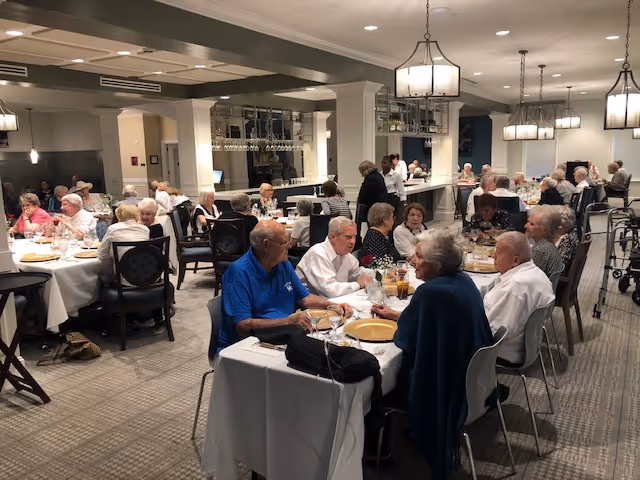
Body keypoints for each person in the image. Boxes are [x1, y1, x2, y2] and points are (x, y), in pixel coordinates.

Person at [370, 229, 494, 480]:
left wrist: (399, 322)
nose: (412, 262)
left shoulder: (431, 292)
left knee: (377, 378)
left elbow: (406, 338)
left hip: (445, 383)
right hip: (470, 375)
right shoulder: (462, 281)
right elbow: (434, 323)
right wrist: (397, 315)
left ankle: (375, 448)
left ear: (437, 265)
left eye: (418, 257)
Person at [217, 220, 353, 350]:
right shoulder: (239, 273)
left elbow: (304, 298)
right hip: (250, 343)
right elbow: (243, 325)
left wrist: (331, 305)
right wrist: (288, 321)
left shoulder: (282, 264)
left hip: (284, 334)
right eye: (284, 241)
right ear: (266, 245)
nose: (289, 245)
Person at [484, 231, 555, 365]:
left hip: (505, 352)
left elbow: (496, 331)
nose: (493, 256)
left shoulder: (514, 287)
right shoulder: (536, 272)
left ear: (515, 260)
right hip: (528, 345)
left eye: (498, 252)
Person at [296, 216, 372, 297]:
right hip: (309, 306)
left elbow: (358, 273)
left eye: (354, 237)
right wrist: (357, 284)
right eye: (348, 237)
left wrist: (380, 274)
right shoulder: (318, 253)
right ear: (332, 237)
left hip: (332, 303)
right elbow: (330, 291)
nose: (353, 242)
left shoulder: (346, 255)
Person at [97, 204, 150, 280]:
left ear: (118, 215)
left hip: (123, 279)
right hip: (147, 277)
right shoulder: (145, 229)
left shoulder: (113, 229)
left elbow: (102, 254)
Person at [525, 206, 565, 278]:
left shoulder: (540, 250)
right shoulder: (548, 245)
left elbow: (528, 278)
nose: (525, 226)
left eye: (531, 224)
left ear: (544, 230)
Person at [356, 160, 387, 232]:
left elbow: (364, 194)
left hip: (372, 208)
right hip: (380, 206)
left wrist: (360, 201)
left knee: (373, 228)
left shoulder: (370, 179)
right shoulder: (378, 176)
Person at [553, 206, 579, 274]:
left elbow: (560, 265)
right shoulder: (564, 235)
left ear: (560, 225)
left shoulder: (567, 240)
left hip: (556, 279)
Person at [381, 155, 406, 221]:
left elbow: (401, 189)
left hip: (392, 198)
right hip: (382, 199)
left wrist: (403, 201)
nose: (383, 165)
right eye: (382, 163)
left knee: (392, 218)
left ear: (390, 164)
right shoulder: (379, 175)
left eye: (385, 163)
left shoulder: (395, 175)